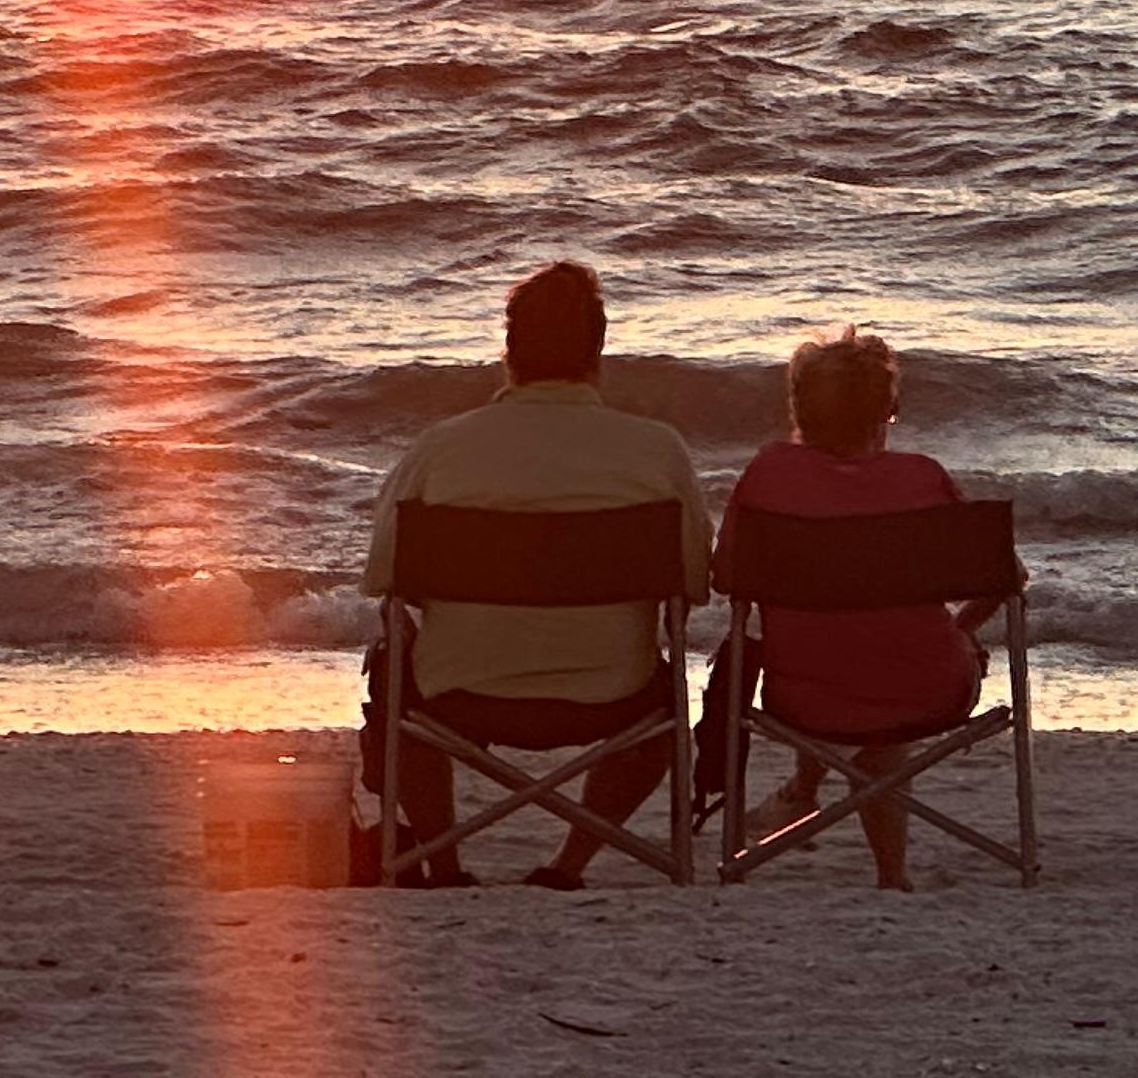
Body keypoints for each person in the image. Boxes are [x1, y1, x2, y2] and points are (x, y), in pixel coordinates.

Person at [362, 260, 705, 890]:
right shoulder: (658, 451)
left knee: (393, 671)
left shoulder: (441, 448)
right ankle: (568, 865)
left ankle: (443, 866)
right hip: (613, 695)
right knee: (664, 698)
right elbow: (692, 584)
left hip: (457, 692)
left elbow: (385, 578)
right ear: (596, 353)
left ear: (509, 352)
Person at [717, 324, 1002, 892]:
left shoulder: (768, 475)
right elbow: (1003, 580)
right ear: (886, 411)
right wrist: (961, 629)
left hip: (799, 693)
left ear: (800, 411)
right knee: (887, 682)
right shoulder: (921, 478)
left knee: (840, 652)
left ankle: (804, 792)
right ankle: (891, 873)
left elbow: (726, 577)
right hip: (930, 688)